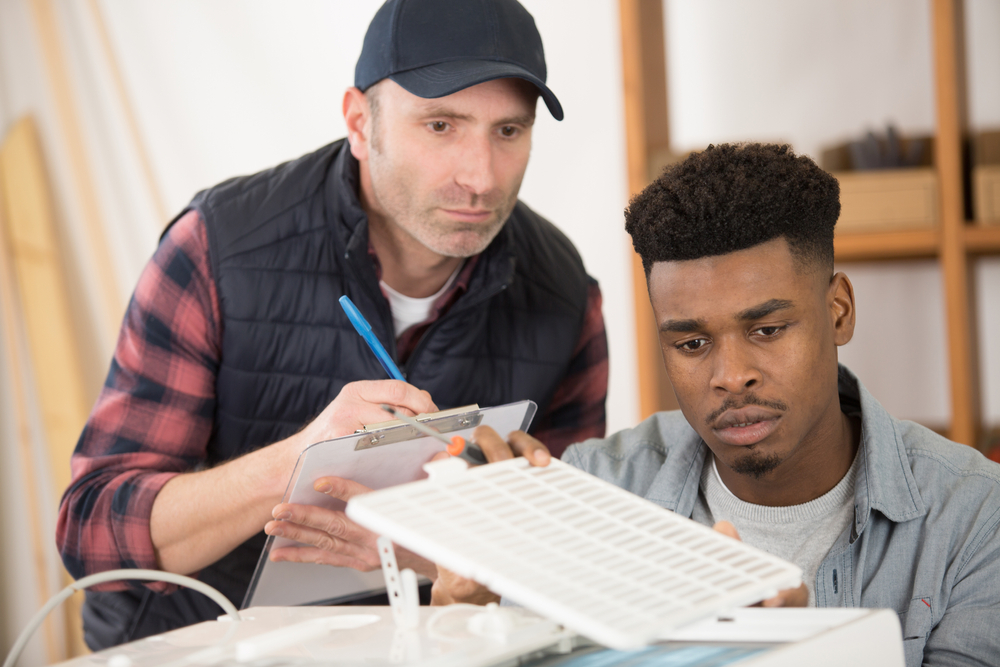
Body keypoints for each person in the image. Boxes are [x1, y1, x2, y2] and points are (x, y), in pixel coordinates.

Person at [56, 0, 608, 649]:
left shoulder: (564, 291)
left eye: (508, 132)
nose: (480, 176)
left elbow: (571, 556)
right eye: (440, 125)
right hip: (196, 643)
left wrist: (436, 553)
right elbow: (91, 531)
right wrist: (299, 460)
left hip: (418, 644)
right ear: (358, 122)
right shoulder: (217, 249)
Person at [440, 144, 1000, 666]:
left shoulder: (974, 518)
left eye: (768, 329)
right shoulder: (596, 490)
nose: (732, 378)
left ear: (838, 312)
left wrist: (803, 656)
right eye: (691, 344)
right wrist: (461, 626)